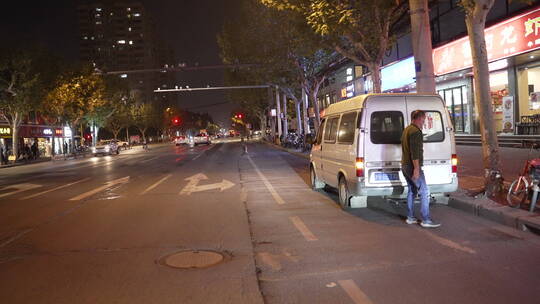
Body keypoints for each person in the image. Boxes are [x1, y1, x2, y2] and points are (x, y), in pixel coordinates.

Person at [401, 110, 440, 228]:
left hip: (405, 165)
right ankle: (426, 219)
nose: (424, 122)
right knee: (424, 191)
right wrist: (416, 169)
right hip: (412, 166)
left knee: (412, 191)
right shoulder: (415, 132)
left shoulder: (407, 129)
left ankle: (410, 217)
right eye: (423, 119)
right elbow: (415, 153)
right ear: (418, 118)